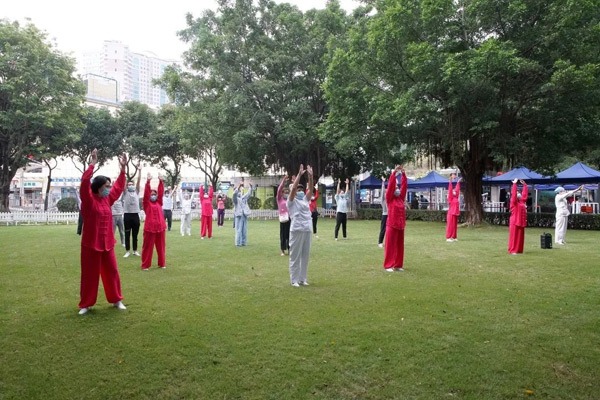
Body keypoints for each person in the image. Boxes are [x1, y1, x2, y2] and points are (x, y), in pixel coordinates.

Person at [77, 148, 127, 315]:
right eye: (106, 186)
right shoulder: (89, 201)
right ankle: (86, 304)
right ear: (98, 187)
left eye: (109, 186)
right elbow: (84, 183)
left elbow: (119, 187)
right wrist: (92, 164)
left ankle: (116, 300)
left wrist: (123, 169)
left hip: (107, 243)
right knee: (89, 275)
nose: (109, 188)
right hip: (91, 244)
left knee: (112, 272)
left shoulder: (107, 199)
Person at [287, 164, 313, 287]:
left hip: (307, 229)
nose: (300, 191)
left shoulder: (305, 200)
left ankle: (303, 279)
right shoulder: (291, 202)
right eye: (298, 189)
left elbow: (311, 190)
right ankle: (294, 280)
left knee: (305, 256)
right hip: (297, 230)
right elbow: (293, 190)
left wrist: (311, 177)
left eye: (302, 189)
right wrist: (299, 175)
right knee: (295, 256)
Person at [383, 165, 408, 272]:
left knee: (399, 246)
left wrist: (403, 174)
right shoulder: (389, 199)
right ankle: (388, 265)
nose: (398, 189)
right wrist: (393, 174)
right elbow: (392, 185)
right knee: (390, 245)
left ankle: (398, 265)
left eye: (398, 188)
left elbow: (404, 186)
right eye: (396, 188)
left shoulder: (401, 199)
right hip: (392, 224)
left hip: (401, 225)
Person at [141, 173, 167, 270]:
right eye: (152, 194)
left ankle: (162, 263)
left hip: (160, 228)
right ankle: (145, 265)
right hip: (150, 228)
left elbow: (161, 193)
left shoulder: (159, 202)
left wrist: (161, 181)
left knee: (161, 247)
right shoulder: (146, 204)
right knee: (147, 247)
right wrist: (148, 182)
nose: (153, 195)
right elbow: (146, 194)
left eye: (154, 194)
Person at [122, 167, 142, 258]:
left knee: (135, 234)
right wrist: (123, 169)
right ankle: (127, 251)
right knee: (127, 234)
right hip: (127, 215)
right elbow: (123, 183)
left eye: (131, 184)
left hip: (135, 215)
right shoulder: (125, 192)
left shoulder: (136, 192)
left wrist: (139, 171)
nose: (130, 185)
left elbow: (138, 181)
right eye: (128, 184)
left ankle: (135, 250)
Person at [508, 179, 528, 254]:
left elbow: (525, 196)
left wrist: (525, 185)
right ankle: (513, 250)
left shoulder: (521, 201)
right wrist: (514, 184)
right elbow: (513, 195)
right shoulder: (514, 202)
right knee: (514, 236)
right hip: (515, 221)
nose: (518, 193)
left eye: (519, 192)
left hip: (520, 221)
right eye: (517, 192)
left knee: (520, 236)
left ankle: (519, 249)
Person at [233, 180, 252, 246]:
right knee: (239, 230)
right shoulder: (235, 200)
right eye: (239, 191)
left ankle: (243, 242)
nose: (240, 192)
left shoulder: (243, 198)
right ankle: (237, 243)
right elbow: (234, 194)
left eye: (240, 191)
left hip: (244, 215)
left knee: (244, 230)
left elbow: (248, 194)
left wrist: (250, 187)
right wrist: (238, 186)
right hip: (239, 216)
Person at [277, 176, 291, 256]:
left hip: (289, 218)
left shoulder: (289, 200)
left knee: (289, 234)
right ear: (282, 193)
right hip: (282, 219)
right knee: (282, 235)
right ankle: (282, 250)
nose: (286, 193)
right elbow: (279, 190)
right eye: (284, 192)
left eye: (287, 192)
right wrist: (283, 181)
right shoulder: (279, 199)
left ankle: (290, 249)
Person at [445, 173, 461, 242]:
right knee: (450, 226)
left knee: (454, 226)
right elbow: (450, 189)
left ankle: (454, 237)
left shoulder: (456, 198)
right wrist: (450, 181)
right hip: (451, 213)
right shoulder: (450, 198)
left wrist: (458, 182)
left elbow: (457, 190)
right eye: (453, 191)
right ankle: (448, 237)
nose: (454, 191)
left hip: (455, 213)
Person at [378, 176, 388, 248]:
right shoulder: (383, 201)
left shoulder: (390, 200)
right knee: (383, 229)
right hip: (385, 215)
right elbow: (383, 191)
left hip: (391, 215)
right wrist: (383, 183)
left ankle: (389, 242)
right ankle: (380, 242)